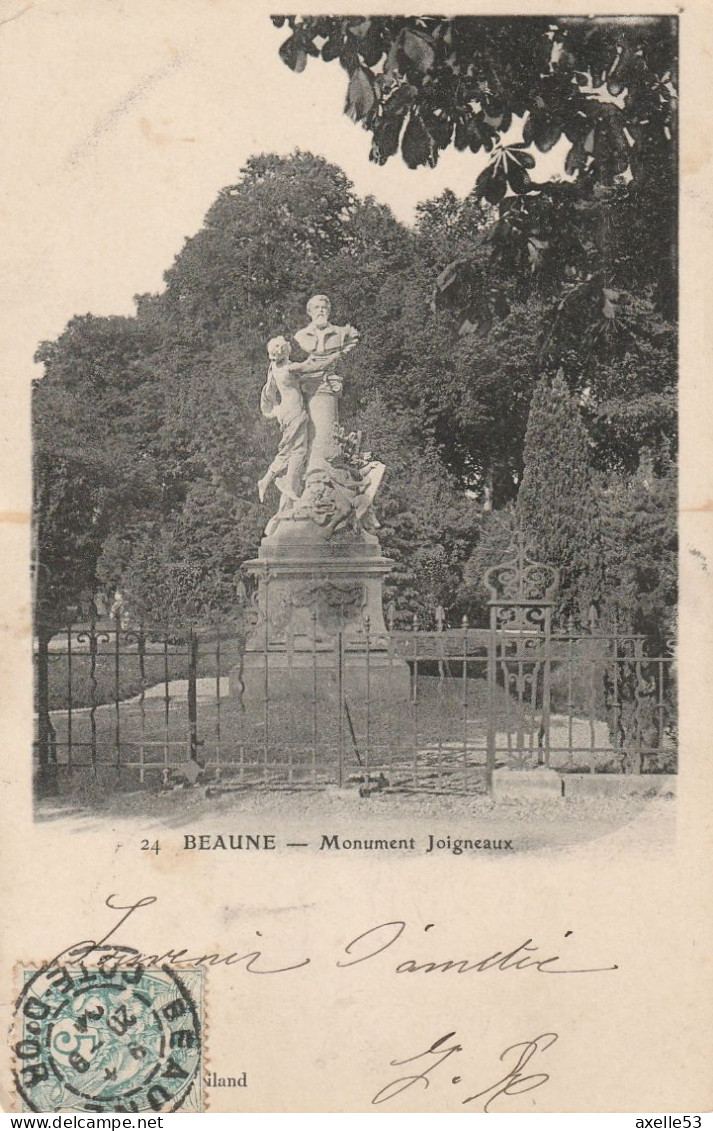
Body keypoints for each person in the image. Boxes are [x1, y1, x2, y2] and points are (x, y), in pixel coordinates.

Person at [257, 336, 332, 504]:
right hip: (294, 411)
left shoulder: (275, 368)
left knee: (289, 450)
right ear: (285, 349)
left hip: (284, 411)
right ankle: (283, 484)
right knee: (298, 450)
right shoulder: (291, 368)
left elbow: (278, 387)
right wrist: (334, 356)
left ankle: (268, 480)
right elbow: (315, 366)